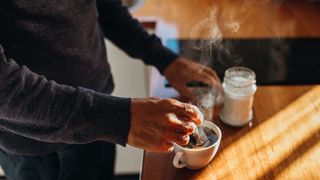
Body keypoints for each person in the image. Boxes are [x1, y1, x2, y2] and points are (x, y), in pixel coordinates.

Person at [0, 0, 221, 179]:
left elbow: (103, 5)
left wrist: (163, 58)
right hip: (33, 140)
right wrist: (119, 118)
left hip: (100, 116)